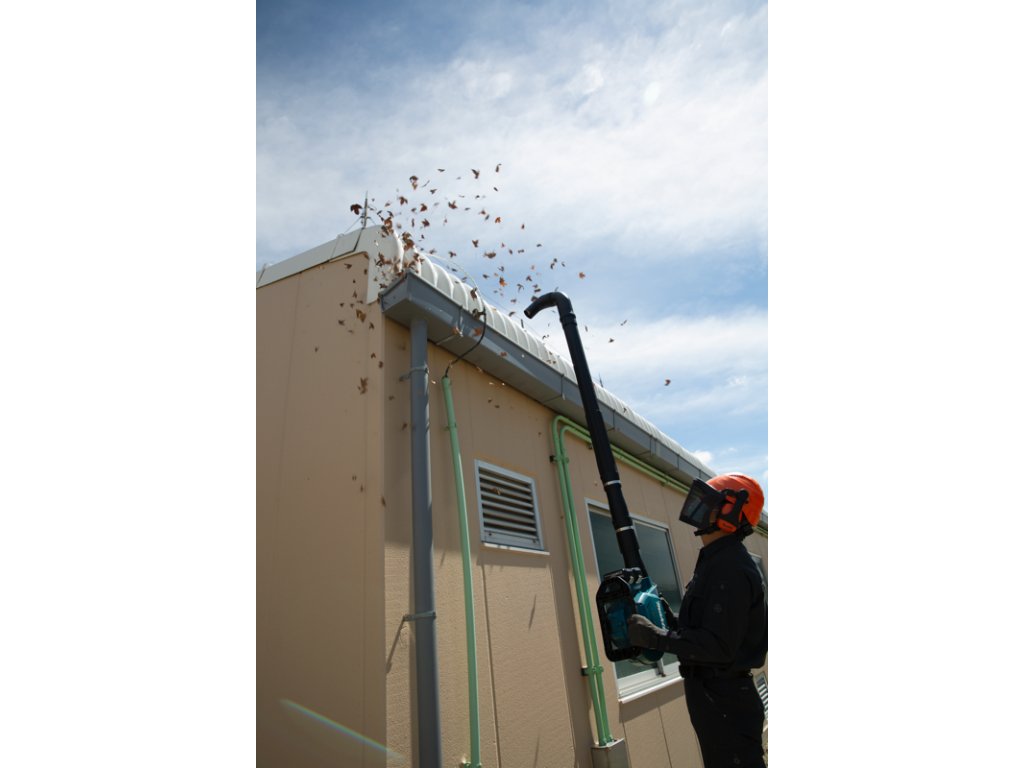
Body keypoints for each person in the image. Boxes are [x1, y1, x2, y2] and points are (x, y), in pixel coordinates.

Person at [628, 473, 768, 768]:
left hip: (726, 699)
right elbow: (709, 630)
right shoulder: (716, 561)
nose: (699, 507)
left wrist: (656, 637)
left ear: (732, 511)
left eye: (709, 501)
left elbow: (717, 646)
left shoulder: (730, 566)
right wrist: (669, 619)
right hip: (717, 698)